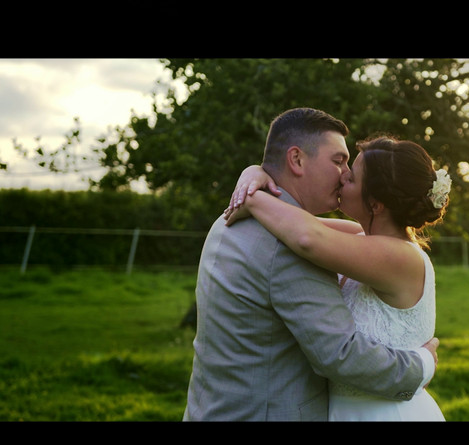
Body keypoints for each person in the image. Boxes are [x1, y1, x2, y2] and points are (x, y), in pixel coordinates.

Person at [183, 107, 438, 421]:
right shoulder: (287, 243)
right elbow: (339, 352)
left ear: (376, 202)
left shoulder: (232, 221)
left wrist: (252, 193)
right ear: (297, 160)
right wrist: (253, 177)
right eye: (338, 161)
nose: (344, 175)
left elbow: (310, 234)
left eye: (351, 170)